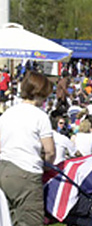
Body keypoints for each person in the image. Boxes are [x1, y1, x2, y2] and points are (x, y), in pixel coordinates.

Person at [0, 70, 56, 225]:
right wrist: (47, 164)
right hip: (26, 172)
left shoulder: (7, 114)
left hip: (4, 167)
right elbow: (50, 151)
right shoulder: (40, 116)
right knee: (31, 220)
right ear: (41, 93)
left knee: (9, 218)